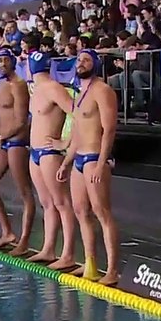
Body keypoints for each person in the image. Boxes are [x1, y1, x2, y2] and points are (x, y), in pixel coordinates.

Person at [59, 50, 121, 284]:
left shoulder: (102, 91)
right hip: (79, 159)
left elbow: (109, 130)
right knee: (80, 211)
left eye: (86, 60)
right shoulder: (80, 93)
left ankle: (112, 270)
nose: (81, 63)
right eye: (79, 60)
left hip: (95, 157)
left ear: (94, 64)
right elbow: (77, 132)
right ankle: (91, 263)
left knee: (102, 213)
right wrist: (66, 162)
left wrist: (102, 162)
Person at [26, 46, 78, 270]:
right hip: (35, 153)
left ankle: (67, 254)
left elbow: (78, 113)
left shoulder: (53, 88)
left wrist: (65, 143)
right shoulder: (36, 90)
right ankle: (48, 249)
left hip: (50, 153)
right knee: (46, 203)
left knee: (62, 203)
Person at [0, 45, 36, 254]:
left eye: (6, 60)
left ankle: (24, 241)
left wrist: (3, 136)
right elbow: (3, 117)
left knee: (24, 193)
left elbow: (22, 121)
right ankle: (7, 232)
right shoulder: (2, 86)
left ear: (13, 62)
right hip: (2, 141)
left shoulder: (19, 85)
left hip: (17, 142)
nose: (2, 64)